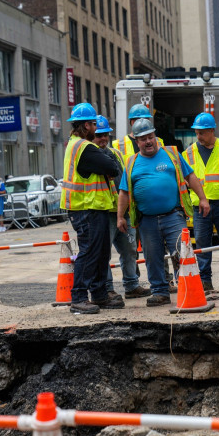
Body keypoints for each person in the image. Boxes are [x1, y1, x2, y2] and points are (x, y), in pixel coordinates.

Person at [118, 118, 210, 306]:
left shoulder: (172, 154)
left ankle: (189, 288)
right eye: (143, 139)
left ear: (155, 136)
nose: (148, 141)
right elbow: (124, 192)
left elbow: (190, 176)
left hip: (173, 216)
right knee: (152, 258)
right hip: (147, 220)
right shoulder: (131, 162)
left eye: (151, 137)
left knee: (182, 253)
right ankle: (160, 292)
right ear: (137, 142)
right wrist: (120, 216)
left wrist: (202, 198)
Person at [61, 103, 121, 314]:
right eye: (94, 124)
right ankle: (78, 297)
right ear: (86, 125)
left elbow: (110, 167)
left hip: (93, 207)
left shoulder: (76, 145)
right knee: (89, 253)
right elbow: (113, 167)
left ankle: (99, 294)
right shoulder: (84, 147)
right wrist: (108, 163)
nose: (96, 129)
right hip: (87, 208)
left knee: (101, 252)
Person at [182, 113, 219, 291]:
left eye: (202, 133)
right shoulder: (189, 152)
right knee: (202, 243)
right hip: (199, 205)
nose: (199, 136)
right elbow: (185, 177)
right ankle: (205, 280)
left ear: (211, 131)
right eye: (196, 133)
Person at [93, 115, 150, 300]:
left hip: (123, 212)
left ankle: (131, 285)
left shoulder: (116, 153)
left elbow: (125, 182)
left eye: (105, 135)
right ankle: (107, 288)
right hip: (104, 212)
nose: (103, 139)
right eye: (99, 135)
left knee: (129, 249)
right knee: (104, 253)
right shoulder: (91, 155)